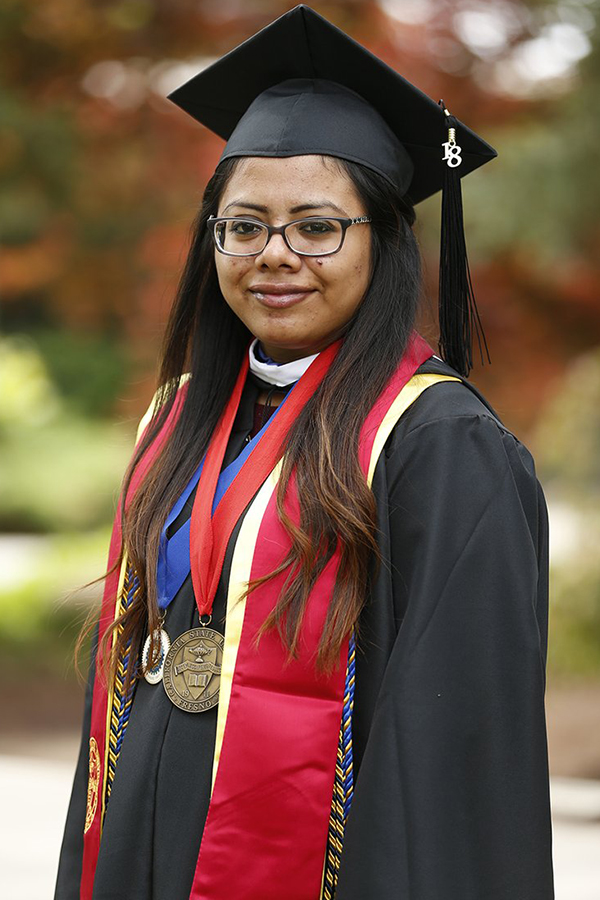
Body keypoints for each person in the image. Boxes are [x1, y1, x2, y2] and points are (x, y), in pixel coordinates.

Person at [55, 6, 554, 900]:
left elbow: (447, 756)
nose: (274, 255)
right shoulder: (177, 421)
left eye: (317, 227)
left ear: (384, 241)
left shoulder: (439, 446)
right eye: (243, 227)